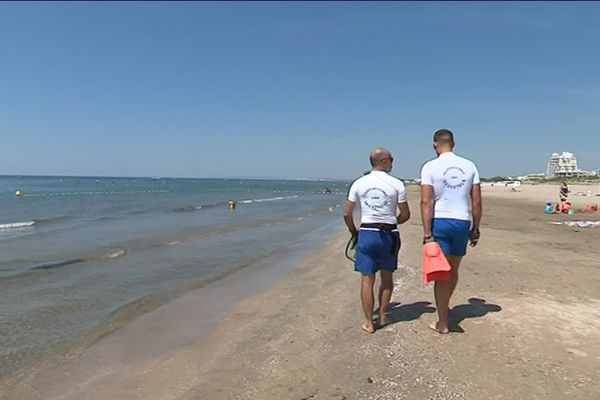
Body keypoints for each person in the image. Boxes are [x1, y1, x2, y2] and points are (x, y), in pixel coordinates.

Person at [420, 129, 482, 334]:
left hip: (441, 220)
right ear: (453, 144)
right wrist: (476, 228)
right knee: (453, 270)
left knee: (441, 275)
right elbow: (477, 200)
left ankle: (443, 322)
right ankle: (444, 308)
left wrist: (427, 234)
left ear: (434, 145)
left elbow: (426, 201)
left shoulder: (430, 166)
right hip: (462, 221)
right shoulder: (469, 165)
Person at [343, 147, 411, 334]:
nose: (393, 162)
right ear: (383, 161)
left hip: (367, 233)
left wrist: (353, 232)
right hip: (388, 234)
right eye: (391, 159)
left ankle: (368, 322)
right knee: (387, 278)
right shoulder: (396, 183)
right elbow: (405, 214)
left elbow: (347, 213)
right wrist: (391, 221)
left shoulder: (359, 183)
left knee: (367, 280)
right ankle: (382, 315)